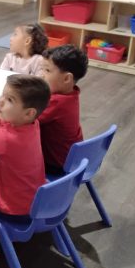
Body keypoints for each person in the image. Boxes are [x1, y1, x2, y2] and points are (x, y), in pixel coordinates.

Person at [0, 74, 51, 263]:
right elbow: (0, 124)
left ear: (28, 113)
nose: (0, 101)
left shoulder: (6, 139)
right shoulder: (33, 124)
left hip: (17, 210)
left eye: (10, 100)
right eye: (2, 95)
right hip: (37, 202)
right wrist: (3, 108)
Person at [39, 44, 88, 172]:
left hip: (56, 164)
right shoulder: (71, 94)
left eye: (47, 70)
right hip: (71, 156)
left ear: (67, 78)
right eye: (42, 69)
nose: (41, 75)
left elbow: (23, 118)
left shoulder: (56, 102)